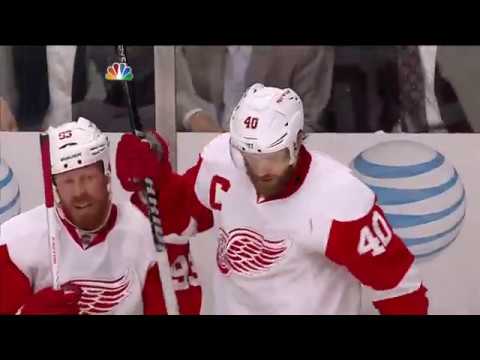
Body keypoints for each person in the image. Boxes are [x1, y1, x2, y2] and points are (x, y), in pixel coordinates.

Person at [116, 84, 429, 314]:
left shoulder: (340, 199)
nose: (263, 170)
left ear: (296, 142)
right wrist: (154, 177)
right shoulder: (221, 163)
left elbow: (399, 288)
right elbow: (176, 222)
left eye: (274, 156)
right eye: (251, 156)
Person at [0, 117, 201, 315]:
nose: (79, 192)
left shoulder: (143, 230)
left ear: (106, 174)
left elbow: (181, 308)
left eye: (88, 178)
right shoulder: (17, 242)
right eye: (68, 181)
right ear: (55, 186)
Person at [176, 46, 334, 132]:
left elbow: (308, 122)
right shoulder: (191, 49)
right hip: (199, 151)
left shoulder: (307, 50)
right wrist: (193, 115)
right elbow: (172, 90)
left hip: (274, 161)